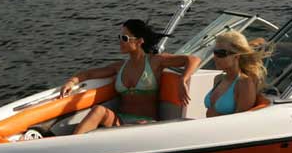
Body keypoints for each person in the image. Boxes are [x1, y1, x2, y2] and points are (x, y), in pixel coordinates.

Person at [59, 19, 200, 134]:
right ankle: (71, 148)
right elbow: (89, 74)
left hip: (146, 123)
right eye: (120, 37)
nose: (120, 41)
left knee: (136, 127)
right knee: (98, 110)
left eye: (125, 38)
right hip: (120, 120)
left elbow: (193, 60)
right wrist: (71, 82)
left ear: (139, 41)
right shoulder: (120, 66)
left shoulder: (155, 61)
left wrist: (183, 79)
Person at [204, 30, 267, 117]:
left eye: (221, 53)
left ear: (236, 56)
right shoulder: (218, 79)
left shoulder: (244, 83)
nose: (215, 58)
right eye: (215, 52)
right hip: (206, 126)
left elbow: (239, 122)